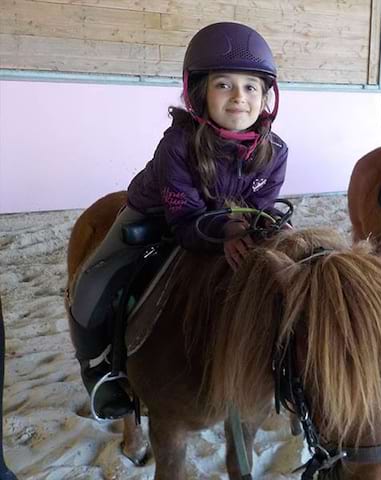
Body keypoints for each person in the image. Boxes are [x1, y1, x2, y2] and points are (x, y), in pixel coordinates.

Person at [67, 22, 288, 419]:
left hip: (224, 219)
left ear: (266, 96)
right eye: (224, 85)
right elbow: (183, 217)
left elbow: (259, 204)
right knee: (92, 283)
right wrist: (226, 228)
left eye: (251, 87)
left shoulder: (276, 150)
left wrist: (255, 226)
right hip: (156, 213)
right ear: (199, 91)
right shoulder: (178, 144)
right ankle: (98, 369)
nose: (240, 96)